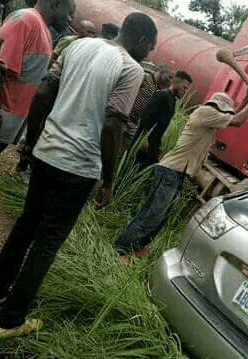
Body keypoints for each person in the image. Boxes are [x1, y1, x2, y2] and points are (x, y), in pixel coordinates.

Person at [0, 11, 158, 338]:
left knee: (26, 226)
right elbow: (114, 125)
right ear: (141, 40)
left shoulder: (79, 46)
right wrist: (109, 181)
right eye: (151, 47)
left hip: (46, 152)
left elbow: (44, 94)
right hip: (78, 167)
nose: (149, 54)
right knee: (46, 243)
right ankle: (10, 318)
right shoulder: (131, 68)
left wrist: (31, 145)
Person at [114, 89, 248, 264]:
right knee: (152, 213)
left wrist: (247, 98)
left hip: (177, 172)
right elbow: (236, 121)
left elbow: (233, 115)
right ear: (218, 108)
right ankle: (121, 247)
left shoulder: (210, 117)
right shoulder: (207, 113)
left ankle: (137, 248)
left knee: (161, 215)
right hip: (171, 170)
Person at [0, 0, 75, 156]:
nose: (70, 20)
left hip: (10, 120)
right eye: (70, 13)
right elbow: (2, 69)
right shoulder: (25, 21)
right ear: (56, 5)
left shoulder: (42, 28)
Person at [134, 70, 193, 169]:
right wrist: (144, 139)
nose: (185, 91)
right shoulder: (162, 95)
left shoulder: (172, 100)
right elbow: (145, 117)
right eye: (184, 87)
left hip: (152, 145)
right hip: (144, 144)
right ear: (176, 82)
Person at [124, 62, 173, 149]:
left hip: (134, 122)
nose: (170, 80)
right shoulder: (146, 74)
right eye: (170, 76)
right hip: (123, 114)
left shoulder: (161, 90)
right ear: (163, 71)